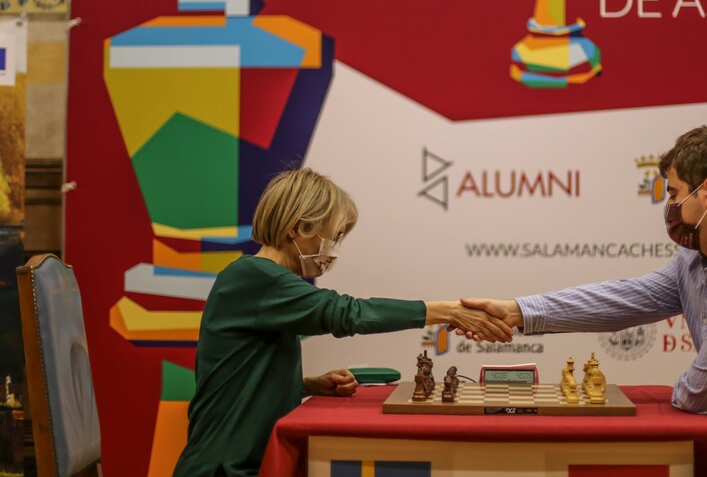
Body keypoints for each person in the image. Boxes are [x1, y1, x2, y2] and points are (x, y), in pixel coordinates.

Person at [460, 124, 707, 477]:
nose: (669, 207)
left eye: (674, 194)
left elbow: (702, 397)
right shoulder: (701, 258)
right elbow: (629, 299)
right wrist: (517, 312)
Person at [172, 168, 512, 477]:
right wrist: (449, 311)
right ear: (298, 228)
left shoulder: (260, 281)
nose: (333, 249)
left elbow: (239, 373)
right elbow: (347, 313)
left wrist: (307, 385)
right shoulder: (254, 277)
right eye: (332, 236)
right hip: (222, 467)